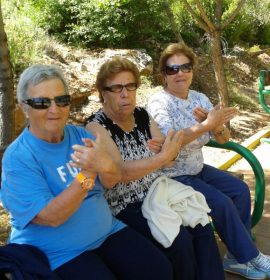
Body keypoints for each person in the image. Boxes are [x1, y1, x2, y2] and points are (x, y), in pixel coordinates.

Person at [0, 64, 175, 280]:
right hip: (58, 252)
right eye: (41, 103)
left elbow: (112, 179)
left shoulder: (79, 135)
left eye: (61, 100)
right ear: (24, 107)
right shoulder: (19, 157)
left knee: (159, 270)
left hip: (106, 232)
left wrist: (105, 165)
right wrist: (88, 174)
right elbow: (51, 217)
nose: (54, 109)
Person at [85, 57, 225, 280]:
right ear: (103, 92)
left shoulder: (142, 115)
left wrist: (169, 153)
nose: (125, 94)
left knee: (201, 224)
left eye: (131, 86)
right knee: (178, 241)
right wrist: (161, 157)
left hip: (158, 192)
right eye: (117, 88)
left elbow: (169, 157)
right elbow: (121, 173)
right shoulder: (96, 126)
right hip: (125, 204)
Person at [147, 42, 270, 279]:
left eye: (185, 67)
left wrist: (218, 126)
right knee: (221, 202)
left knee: (240, 190)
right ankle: (251, 256)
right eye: (173, 69)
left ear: (192, 70)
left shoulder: (199, 98)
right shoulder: (158, 102)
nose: (180, 73)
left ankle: (235, 258)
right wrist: (205, 125)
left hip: (197, 168)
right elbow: (169, 143)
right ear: (164, 74)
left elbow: (223, 139)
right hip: (172, 175)